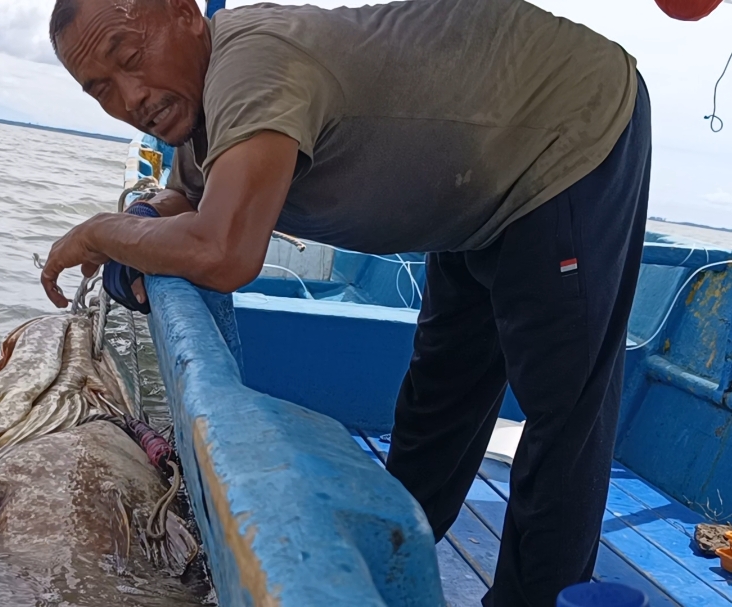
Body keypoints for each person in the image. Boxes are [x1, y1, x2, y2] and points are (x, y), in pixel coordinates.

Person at [41, 0, 651, 604]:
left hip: (567, 122)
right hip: (471, 182)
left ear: (183, 13)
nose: (130, 98)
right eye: (101, 89)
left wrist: (99, 234)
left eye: (130, 58)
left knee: (564, 406)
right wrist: (137, 233)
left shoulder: (252, 62)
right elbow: (189, 206)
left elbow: (224, 250)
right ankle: (383, 560)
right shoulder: (202, 109)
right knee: (441, 392)